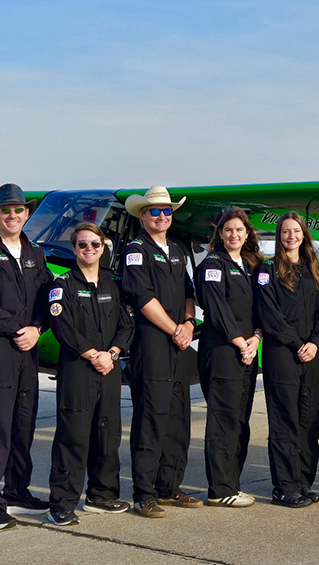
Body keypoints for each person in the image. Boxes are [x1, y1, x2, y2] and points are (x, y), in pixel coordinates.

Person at [0, 184, 52, 529]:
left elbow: (49, 295)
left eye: (18, 210)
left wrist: (38, 328)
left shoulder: (36, 254)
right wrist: (18, 330)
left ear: (26, 214)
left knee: (23, 422)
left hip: (28, 349)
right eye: (6, 210)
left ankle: (16, 492)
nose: (12, 215)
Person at [44, 222, 134, 526]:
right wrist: (92, 354)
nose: (89, 250)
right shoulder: (63, 285)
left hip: (109, 368)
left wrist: (113, 353)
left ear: (103, 247)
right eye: (83, 245)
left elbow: (127, 324)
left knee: (108, 432)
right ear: (74, 248)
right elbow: (62, 327)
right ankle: (62, 503)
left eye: (95, 244)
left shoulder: (113, 283)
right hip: (78, 371)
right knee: (73, 436)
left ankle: (102, 495)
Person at [120, 186, 201, 518]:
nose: (163, 216)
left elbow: (188, 293)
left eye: (167, 211)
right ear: (143, 215)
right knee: (152, 416)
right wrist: (175, 329)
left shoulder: (178, 250)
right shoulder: (135, 250)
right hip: (152, 343)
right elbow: (142, 298)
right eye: (155, 211)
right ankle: (145, 493)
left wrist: (189, 323)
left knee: (178, 415)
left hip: (180, 340)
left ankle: (170, 486)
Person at [254, 212, 319, 509]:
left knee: (309, 420)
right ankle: (284, 487)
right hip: (282, 356)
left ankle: (303, 483)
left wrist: (315, 342)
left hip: (310, 355)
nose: (291, 236)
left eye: (296, 231)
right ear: (279, 236)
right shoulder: (267, 270)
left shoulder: (313, 269)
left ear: (303, 235)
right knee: (284, 422)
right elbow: (269, 315)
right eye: (285, 232)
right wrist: (299, 343)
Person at [195, 207, 263, 508]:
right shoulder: (212, 264)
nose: (234, 234)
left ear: (247, 233)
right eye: (228, 230)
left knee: (240, 420)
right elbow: (217, 307)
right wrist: (241, 343)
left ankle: (232, 483)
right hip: (224, 352)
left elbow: (264, 307)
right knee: (223, 420)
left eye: (239, 229)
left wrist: (256, 339)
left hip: (248, 351)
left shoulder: (251, 265)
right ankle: (220, 489)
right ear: (220, 234)